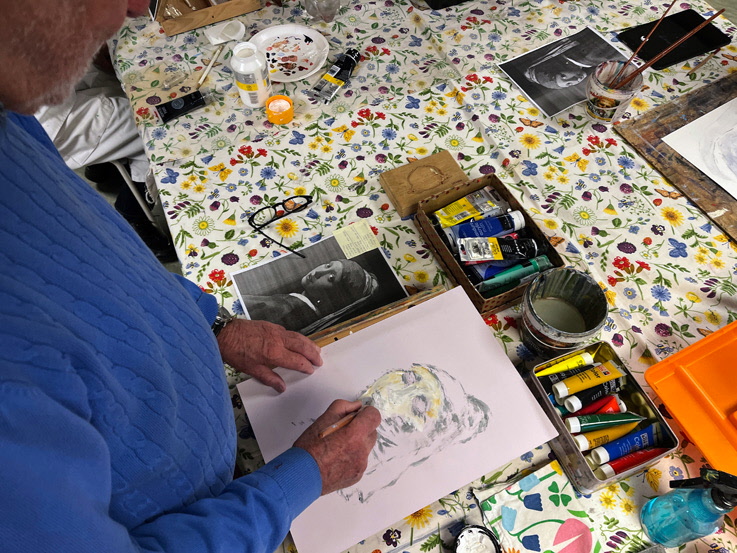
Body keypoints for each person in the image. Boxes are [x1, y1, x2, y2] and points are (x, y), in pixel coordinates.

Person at [0, 1, 381, 551]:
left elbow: (97, 257)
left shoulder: (9, 111)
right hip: (208, 514)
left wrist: (213, 323)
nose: (138, 8)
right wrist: (302, 480)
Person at [35, 45, 177, 262]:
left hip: (47, 75)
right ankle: (132, 211)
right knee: (159, 129)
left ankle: (101, 166)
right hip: (40, 114)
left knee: (121, 73)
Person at [243, 258, 380, 335]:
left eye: (331, 278)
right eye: (328, 265)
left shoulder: (286, 307)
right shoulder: (301, 311)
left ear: (335, 298)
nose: (319, 272)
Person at [524, 36, 616, 89]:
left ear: (557, 65)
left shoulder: (590, 57)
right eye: (569, 84)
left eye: (563, 76)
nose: (575, 80)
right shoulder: (584, 59)